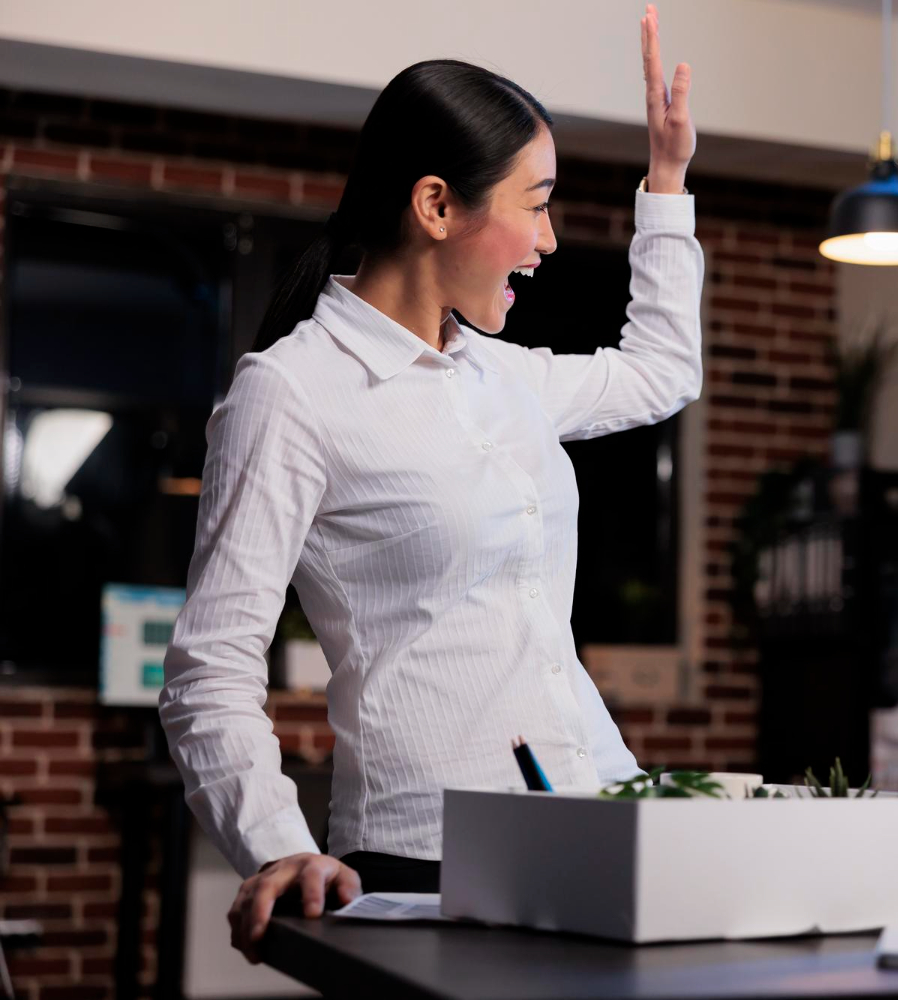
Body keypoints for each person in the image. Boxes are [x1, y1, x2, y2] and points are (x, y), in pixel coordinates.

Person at [158, 6, 700, 962]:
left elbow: (662, 371)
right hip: (427, 863)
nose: (550, 239)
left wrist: (665, 184)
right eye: (535, 204)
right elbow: (210, 670)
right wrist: (282, 848)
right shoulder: (292, 394)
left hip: (604, 822)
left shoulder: (507, 377)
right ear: (438, 205)